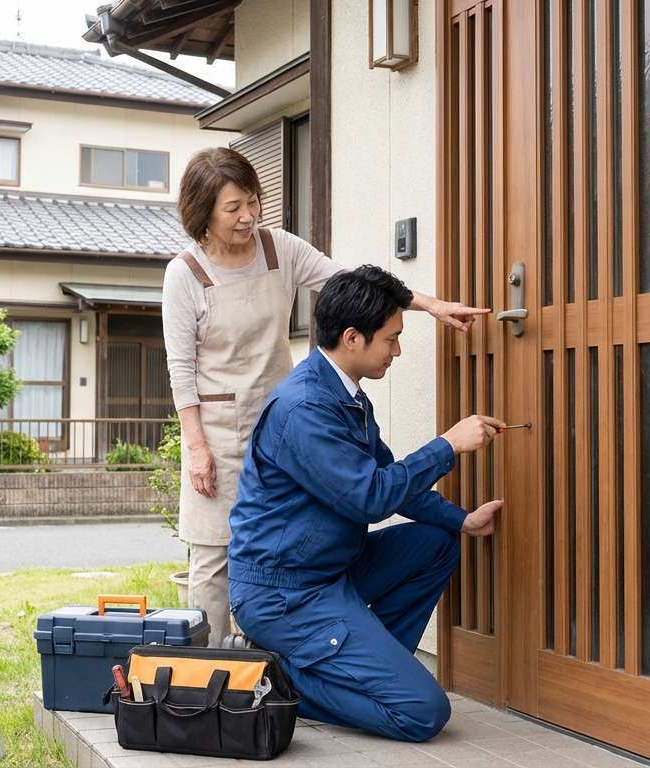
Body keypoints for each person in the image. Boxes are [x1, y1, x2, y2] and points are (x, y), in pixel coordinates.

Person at [162, 147, 487, 646]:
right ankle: (207, 675)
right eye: (233, 207)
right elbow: (180, 367)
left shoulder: (279, 248)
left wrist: (431, 305)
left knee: (295, 542)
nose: (248, 216)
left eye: (253, 201)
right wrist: (197, 446)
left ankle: (291, 658)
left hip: (288, 422)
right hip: (218, 432)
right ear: (203, 211)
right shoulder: (184, 274)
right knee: (213, 557)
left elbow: (350, 285)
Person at [227, 265, 505, 742]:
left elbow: (389, 479)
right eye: (391, 339)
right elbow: (370, 497)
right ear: (352, 338)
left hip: (329, 572)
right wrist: (447, 445)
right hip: (283, 593)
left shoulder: (346, 394)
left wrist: (462, 520)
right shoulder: (305, 408)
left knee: (435, 543)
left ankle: (364, 668)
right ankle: (279, 677)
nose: (397, 351)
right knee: (422, 712)